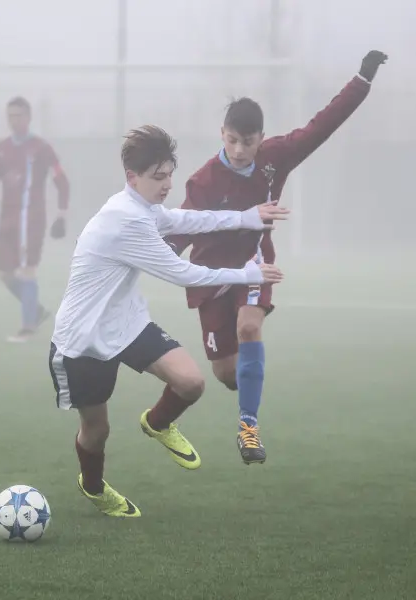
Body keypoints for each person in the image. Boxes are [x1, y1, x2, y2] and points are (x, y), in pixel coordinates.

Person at [48, 125, 288, 518]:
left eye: (169, 175)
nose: (167, 185)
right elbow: (184, 274)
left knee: (191, 383)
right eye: (158, 178)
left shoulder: (141, 208)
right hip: (83, 339)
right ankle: (93, 487)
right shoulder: (126, 220)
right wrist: (247, 275)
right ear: (132, 178)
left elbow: (185, 220)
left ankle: (157, 423)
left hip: (125, 324)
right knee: (98, 431)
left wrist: (247, 216)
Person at [164, 50, 388, 465]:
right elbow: (182, 229)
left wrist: (362, 78)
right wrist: (159, 255)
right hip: (211, 275)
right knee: (227, 375)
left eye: (247, 142)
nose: (239, 149)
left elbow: (324, 125)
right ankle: (239, 389)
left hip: (254, 264)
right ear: (222, 133)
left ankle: (248, 430)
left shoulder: (275, 157)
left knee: (250, 328)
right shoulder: (203, 180)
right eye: (231, 140)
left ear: (261, 138)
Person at [0, 96, 70, 343]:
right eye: (10, 115)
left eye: (18, 115)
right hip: (7, 218)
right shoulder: (2, 147)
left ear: (28, 117)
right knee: (4, 273)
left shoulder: (40, 147)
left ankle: (28, 327)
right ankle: (35, 310)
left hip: (31, 218)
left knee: (27, 270)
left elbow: (61, 180)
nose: (14, 120)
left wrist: (61, 215)